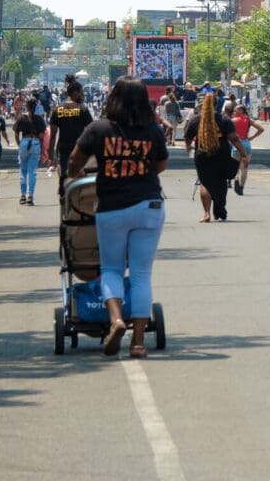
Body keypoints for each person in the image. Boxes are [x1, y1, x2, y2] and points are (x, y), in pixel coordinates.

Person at [67, 75, 169, 359]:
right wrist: (139, 171)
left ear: (113, 99)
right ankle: (137, 343)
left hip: (111, 207)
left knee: (111, 269)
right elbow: (161, 163)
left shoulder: (98, 129)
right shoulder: (153, 130)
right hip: (148, 205)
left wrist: (77, 176)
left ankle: (116, 321)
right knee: (141, 274)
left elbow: (75, 159)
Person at [186, 92, 247, 222]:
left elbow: (187, 137)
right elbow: (234, 138)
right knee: (220, 181)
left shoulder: (196, 119)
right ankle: (219, 207)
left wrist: (189, 149)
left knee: (205, 183)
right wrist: (244, 154)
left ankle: (207, 213)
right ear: (216, 104)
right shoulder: (224, 120)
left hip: (202, 154)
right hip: (221, 154)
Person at [48, 81, 97, 199]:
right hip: (80, 149)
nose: (83, 95)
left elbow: (53, 136)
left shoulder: (57, 110)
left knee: (65, 174)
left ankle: (64, 196)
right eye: (81, 93)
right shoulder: (83, 110)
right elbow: (92, 132)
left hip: (63, 149)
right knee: (81, 176)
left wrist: (50, 156)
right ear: (75, 93)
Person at [15, 94, 47, 205]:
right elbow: (42, 136)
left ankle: (22, 196)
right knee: (32, 172)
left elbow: (16, 133)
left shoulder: (21, 118)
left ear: (27, 106)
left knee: (23, 171)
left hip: (24, 142)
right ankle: (30, 196)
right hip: (35, 143)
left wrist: (20, 144)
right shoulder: (39, 119)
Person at [231, 103, 263, 196]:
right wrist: (252, 137)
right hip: (246, 144)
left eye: (236, 110)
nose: (234, 112)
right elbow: (261, 129)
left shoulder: (233, 121)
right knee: (244, 168)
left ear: (241, 110)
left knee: (234, 166)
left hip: (237, 144)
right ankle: (241, 187)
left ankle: (236, 180)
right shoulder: (249, 120)